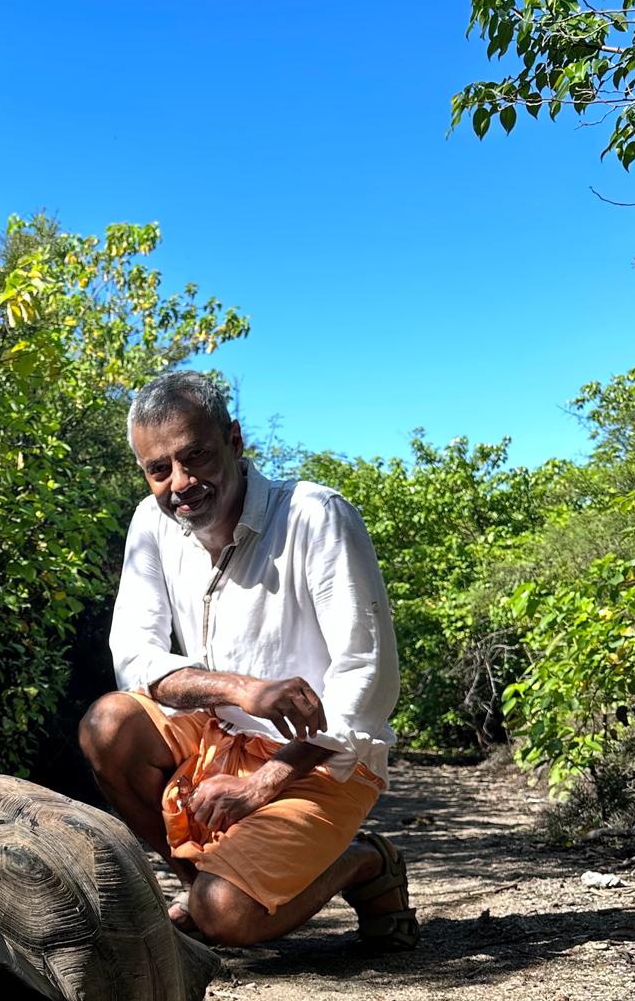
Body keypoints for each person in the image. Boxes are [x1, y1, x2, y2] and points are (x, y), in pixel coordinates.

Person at [78, 370, 418, 950]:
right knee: (108, 725)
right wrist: (240, 690)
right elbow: (134, 656)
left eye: (197, 457)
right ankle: (201, 885)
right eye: (158, 469)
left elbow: (369, 675)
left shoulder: (315, 515)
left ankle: (365, 860)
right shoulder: (152, 524)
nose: (180, 483)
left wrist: (266, 781)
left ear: (235, 441)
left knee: (229, 918)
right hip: (218, 733)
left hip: (322, 756)